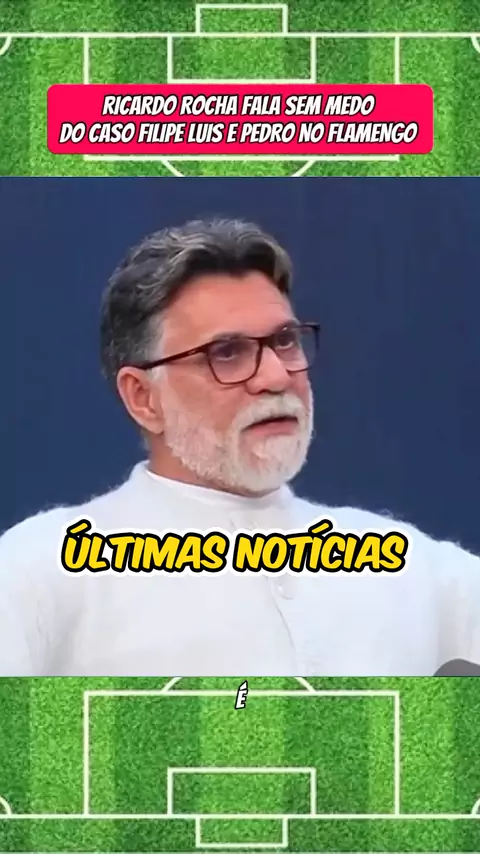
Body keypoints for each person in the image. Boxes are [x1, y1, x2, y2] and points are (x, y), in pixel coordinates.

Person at [1, 217, 479, 677]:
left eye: (285, 341)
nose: (277, 376)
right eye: (226, 353)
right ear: (144, 398)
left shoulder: (411, 568)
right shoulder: (40, 572)